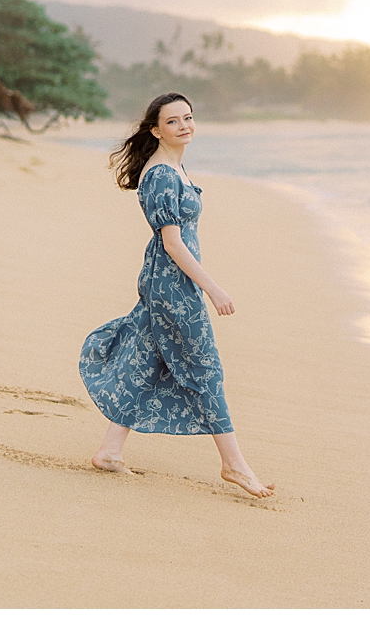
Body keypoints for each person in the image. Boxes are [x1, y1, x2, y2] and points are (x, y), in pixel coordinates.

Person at [79, 92, 274, 499]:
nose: (184, 125)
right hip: (172, 284)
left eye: (188, 117)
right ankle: (234, 465)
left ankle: (110, 450)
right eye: (173, 121)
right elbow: (172, 243)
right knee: (205, 368)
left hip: (165, 280)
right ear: (156, 130)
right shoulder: (164, 175)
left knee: (149, 359)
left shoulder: (173, 165)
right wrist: (213, 287)